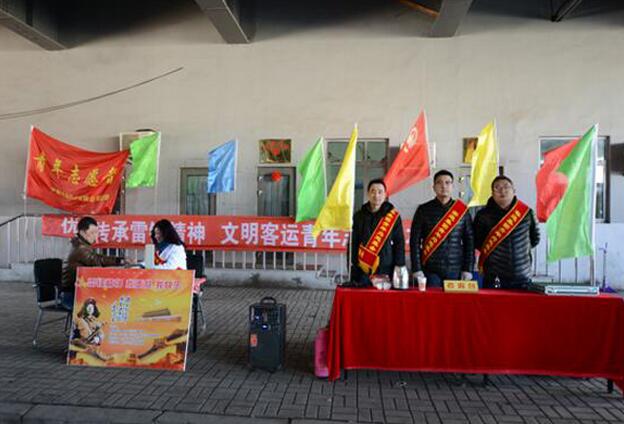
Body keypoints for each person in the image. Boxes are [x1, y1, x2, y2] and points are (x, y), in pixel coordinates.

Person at [473, 175, 540, 289]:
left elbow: (535, 238)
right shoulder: (482, 215)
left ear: (514, 191)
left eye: (506, 187)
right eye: (497, 188)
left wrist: (519, 251)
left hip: (521, 273)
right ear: (492, 193)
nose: (502, 191)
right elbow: (477, 242)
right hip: (493, 274)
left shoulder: (526, 213)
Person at [410, 170, 474, 287]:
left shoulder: (462, 211)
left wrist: (468, 269)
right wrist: (417, 269)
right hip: (430, 270)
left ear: (453, 186)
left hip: (455, 269)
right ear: (434, 187)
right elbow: (415, 241)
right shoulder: (423, 210)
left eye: (447, 183)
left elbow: (469, 242)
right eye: (439, 183)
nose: (443, 186)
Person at [350, 179, 406, 287]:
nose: (376, 195)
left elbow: (399, 243)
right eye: (373, 191)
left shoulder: (393, 217)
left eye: (380, 192)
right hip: (363, 270)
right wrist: (354, 266)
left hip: (387, 269)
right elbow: (354, 242)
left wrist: (399, 266)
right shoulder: (359, 216)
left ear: (385, 194)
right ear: (368, 194)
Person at [61, 217, 124, 310]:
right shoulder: (79, 247)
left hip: (79, 290)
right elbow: (96, 260)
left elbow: (96, 258)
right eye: (92, 233)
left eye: (96, 232)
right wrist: (119, 261)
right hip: (72, 294)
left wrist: (118, 260)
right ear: (82, 232)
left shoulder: (81, 244)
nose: (95, 236)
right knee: (104, 303)